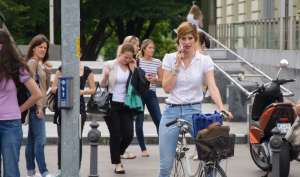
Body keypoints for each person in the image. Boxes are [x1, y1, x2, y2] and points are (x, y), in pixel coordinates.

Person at [158, 22, 233, 177]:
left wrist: (221, 107)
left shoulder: (204, 60)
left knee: (211, 157)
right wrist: (176, 66)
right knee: (165, 166)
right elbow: (166, 88)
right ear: (178, 40)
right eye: (183, 38)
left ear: (195, 38)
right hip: (171, 112)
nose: (186, 42)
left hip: (194, 112)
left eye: (190, 38)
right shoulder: (169, 58)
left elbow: (212, 86)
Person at [0, 29, 42, 177]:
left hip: (10, 124)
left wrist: (20, 109)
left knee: (11, 170)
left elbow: (37, 94)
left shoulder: (16, 67)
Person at [51, 62, 96, 175]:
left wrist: (83, 91)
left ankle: (76, 169)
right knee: (62, 139)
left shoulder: (87, 70)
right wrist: (64, 88)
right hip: (63, 107)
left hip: (79, 108)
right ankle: (61, 169)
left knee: (77, 139)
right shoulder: (62, 68)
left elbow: (93, 89)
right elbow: (53, 88)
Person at [101, 43, 136, 174]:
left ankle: (118, 152)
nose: (127, 60)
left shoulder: (131, 66)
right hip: (112, 104)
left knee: (128, 135)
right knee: (116, 134)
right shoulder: (110, 64)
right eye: (125, 57)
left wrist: (134, 69)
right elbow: (103, 85)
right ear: (120, 53)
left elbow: (137, 84)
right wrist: (105, 76)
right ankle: (117, 163)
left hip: (126, 105)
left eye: (129, 58)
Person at [25, 34, 54, 177]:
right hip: (36, 106)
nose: (43, 50)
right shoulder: (32, 63)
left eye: (45, 47)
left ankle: (31, 171)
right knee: (40, 140)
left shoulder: (39, 63)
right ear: (33, 48)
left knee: (32, 140)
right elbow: (32, 87)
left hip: (39, 105)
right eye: (40, 47)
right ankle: (44, 171)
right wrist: (38, 107)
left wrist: (47, 73)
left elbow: (44, 87)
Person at [135, 39, 162, 157]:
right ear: (144, 49)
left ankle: (163, 146)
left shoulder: (157, 62)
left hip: (151, 93)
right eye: (150, 48)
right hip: (139, 94)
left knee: (159, 120)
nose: (152, 50)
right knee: (139, 122)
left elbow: (162, 80)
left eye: (153, 48)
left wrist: (155, 80)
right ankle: (143, 149)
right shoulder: (137, 61)